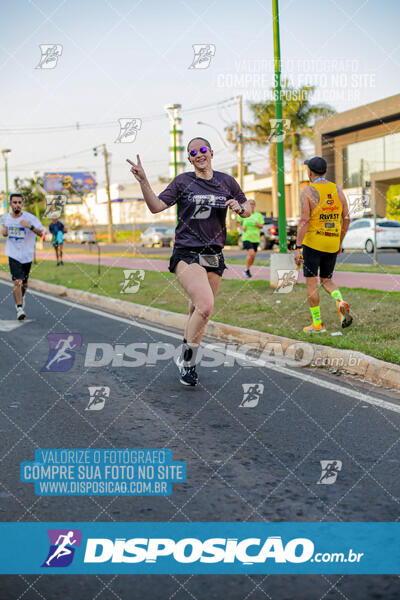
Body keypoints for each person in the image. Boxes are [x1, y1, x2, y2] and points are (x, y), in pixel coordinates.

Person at [127, 137, 251, 386]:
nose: (199, 154)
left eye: (203, 149)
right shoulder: (183, 181)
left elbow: (247, 208)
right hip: (187, 253)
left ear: (211, 152)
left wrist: (239, 207)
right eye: (193, 152)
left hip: (214, 253)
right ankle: (189, 360)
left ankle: (186, 349)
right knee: (205, 305)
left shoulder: (226, 181)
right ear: (190, 158)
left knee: (197, 310)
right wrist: (144, 181)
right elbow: (156, 206)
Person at [294, 156, 352, 333]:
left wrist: (297, 247)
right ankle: (340, 301)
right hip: (332, 242)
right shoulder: (337, 189)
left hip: (313, 244)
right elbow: (347, 218)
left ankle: (317, 324)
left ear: (309, 172)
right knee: (327, 280)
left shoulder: (308, 192)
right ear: (325, 171)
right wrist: (339, 241)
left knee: (311, 283)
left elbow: (304, 221)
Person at [1, 193, 44, 320]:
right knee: (17, 281)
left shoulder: (30, 218)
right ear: (10, 204)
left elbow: (41, 233)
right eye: (15, 202)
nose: (17, 205)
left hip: (27, 256)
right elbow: (4, 232)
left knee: (24, 284)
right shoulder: (5, 218)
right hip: (13, 254)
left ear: (22, 204)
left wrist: (29, 226)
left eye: (19, 202)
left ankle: (21, 296)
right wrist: (4, 232)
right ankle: (19, 308)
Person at [237, 199, 264, 278]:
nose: (251, 205)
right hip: (246, 237)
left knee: (253, 256)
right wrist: (242, 228)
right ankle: (247, 270)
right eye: (250, 204)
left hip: (256, 238)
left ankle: (247, 270)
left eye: (253, 204)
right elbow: (237, 222)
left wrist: (257, 224)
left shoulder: (258, 215)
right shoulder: (244, 214)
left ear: (254, 206)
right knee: (251, 253)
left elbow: (262, 226)